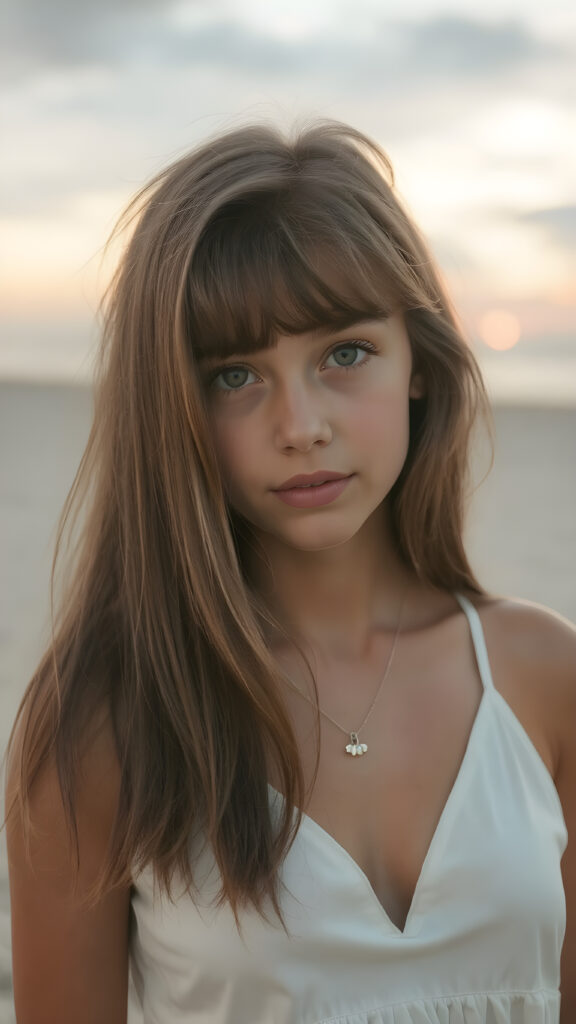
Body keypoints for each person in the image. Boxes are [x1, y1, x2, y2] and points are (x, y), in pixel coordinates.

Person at [5, 120, 575, 1024]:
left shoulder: (545, 678)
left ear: (418, 364)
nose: (300, 423)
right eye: (235, 375)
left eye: (344, 354)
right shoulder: (107, 720)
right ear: (175, 409)